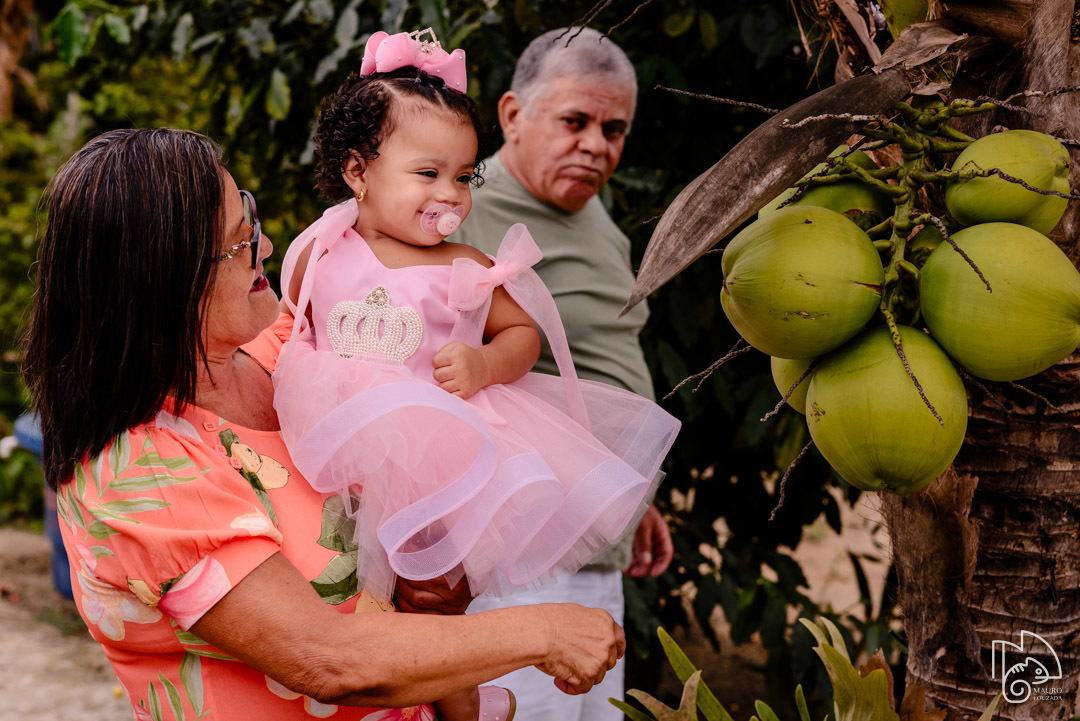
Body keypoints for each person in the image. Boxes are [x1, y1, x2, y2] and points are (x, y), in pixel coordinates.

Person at [22, 127, 628, 721]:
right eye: (239, 242)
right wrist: (544, 630)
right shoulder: (142, 471)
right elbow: (326, 660)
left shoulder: (293, 353)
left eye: (251, 219)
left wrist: (438, 573)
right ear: (165, 280)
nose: (264, 247)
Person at [274, 34, 679, 721]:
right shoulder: (323, 245)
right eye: (428, 174)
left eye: (462, 177)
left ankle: (465, 707)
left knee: (440, 604)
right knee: (358, 591)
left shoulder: (469, 259)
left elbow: (524, 334)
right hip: (341, 446)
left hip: (446, 459)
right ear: (357, 172)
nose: (450, 194)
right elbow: (290, 327)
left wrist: (486, 363)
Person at [452, 27, 674, 720]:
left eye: (615, 129)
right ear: (513, 115)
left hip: (593, 550)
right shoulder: (462, 210)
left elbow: (591, 364)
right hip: (519, 559)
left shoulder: (588, 207)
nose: (597, 146)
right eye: (574, 121)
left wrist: (632, 488)